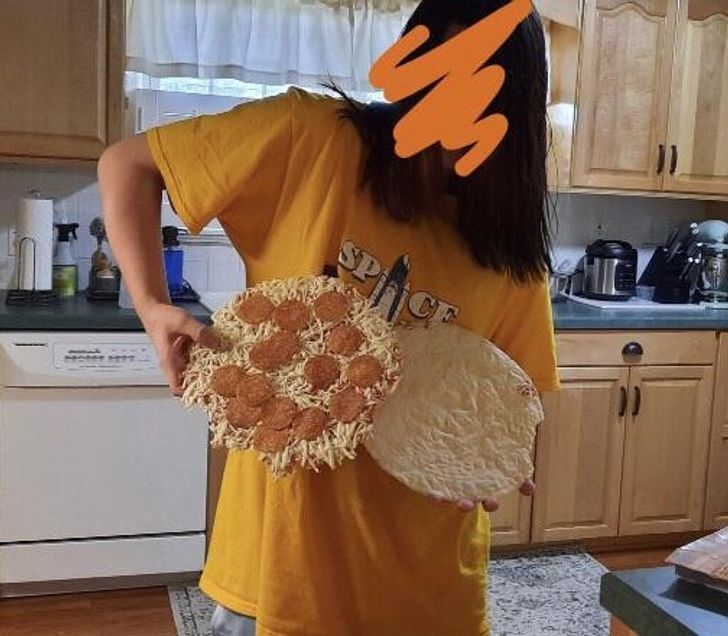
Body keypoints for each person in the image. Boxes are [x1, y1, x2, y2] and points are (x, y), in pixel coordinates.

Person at [99, 1, 559, 634]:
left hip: (429, 584)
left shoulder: (511, 253)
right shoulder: (311, 140)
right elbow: (129, 164)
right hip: (279, 566)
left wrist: (488, 454)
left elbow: (511, 396)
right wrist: (153, 306)